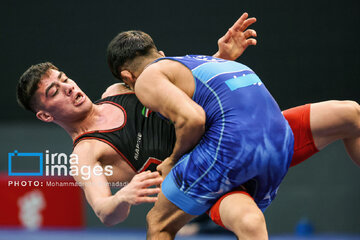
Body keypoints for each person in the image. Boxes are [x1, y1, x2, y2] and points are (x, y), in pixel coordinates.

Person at [107, 28, 360, 240]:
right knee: (351, 113)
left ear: (127, 76)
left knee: (159, 222)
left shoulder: (145, 78)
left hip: (230, 147)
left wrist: (172, 160)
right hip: (279, 141)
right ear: (160, 53)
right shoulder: (198, 61)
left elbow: (192, 118)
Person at [16, 13, 258, 227]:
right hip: (212, 176)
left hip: (232, 135)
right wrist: (122, 197)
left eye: (64, 79)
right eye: (54, 91)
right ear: (45, 115)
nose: (68, 87)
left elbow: (175, 85)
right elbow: (105, 213)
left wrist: (221, 58)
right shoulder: (85, 153)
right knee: (240, 222)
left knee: (295, 122)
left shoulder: (116, 92)